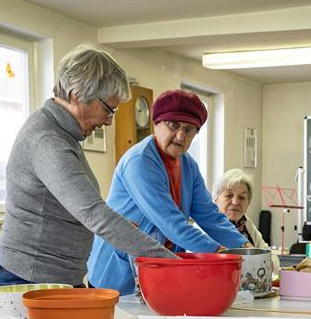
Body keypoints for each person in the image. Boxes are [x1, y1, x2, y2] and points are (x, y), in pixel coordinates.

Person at [0, 45, 175, 287]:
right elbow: (93, 214)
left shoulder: (63, 132)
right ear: (77, 95)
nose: (109, 121)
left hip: (60, 276)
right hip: (33, 277)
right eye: (108, 109)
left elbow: (72, 201)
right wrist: (173, 263)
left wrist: (117, 221)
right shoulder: (49, 141)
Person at [87, 90, 247, 294]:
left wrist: (244, 247)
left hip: (159, 271)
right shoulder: (141, 162)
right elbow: (172, 224)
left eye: (189, 130)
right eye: (173, 125)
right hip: (117, 275)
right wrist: (221, 253)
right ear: (156, 123)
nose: (181, 136)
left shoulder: (188, 165)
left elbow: (210, 216)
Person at [212, 168, 280, 270]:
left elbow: (270, 257)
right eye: (229, 195)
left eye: (242, 197)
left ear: (249, 202)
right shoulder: (206, 225)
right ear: (216, 199)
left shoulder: (246, 223)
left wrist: (266, 262)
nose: (235, 202)